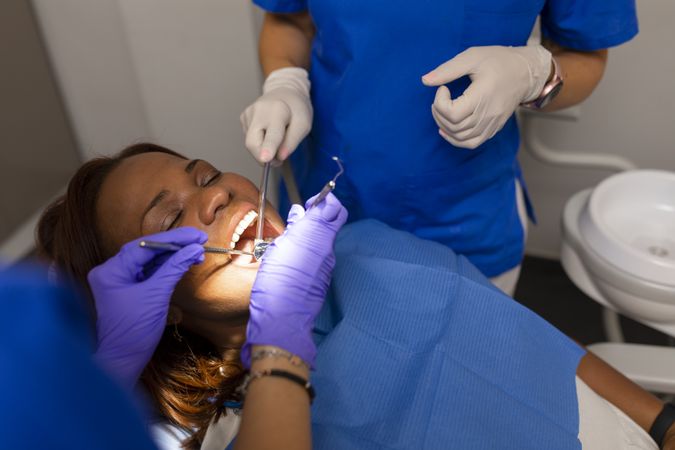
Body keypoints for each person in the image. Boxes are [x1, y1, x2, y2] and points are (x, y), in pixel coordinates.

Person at [36, 143, 674, 450]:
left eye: (203, 175)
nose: (217, 194)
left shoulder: (371, 246)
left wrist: (660, 419)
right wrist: (278, 347)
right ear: (155, 304)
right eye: (168, 214)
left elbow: (527, 333)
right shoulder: (245, 432)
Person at [240, 0, 639, 295]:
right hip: (328, 194)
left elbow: (587, 54)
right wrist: (285, 83)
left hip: (466, 214)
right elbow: (288, 18)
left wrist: (534, 74)